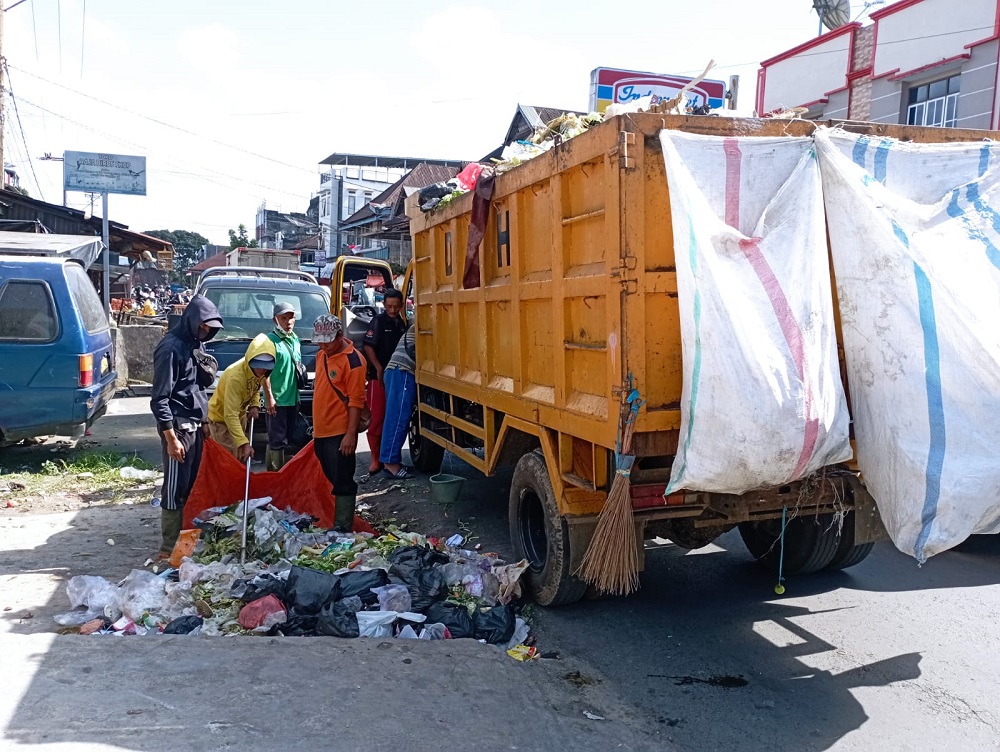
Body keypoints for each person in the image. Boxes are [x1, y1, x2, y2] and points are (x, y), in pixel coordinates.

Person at [149, 295, 224, 558]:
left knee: (191, 490)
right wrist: (171, 438)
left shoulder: (194, 346)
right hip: (177, 429)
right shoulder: (170, 348)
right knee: (174, 489)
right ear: (192, 321)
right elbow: (159, 399)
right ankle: (168, 549)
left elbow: (196, 389)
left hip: (195, 427)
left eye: (210, 328)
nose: (206, 331)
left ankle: (185, 548)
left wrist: (203, 423)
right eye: (204, 326)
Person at [312, 314, 366, 532]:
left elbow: (356, 401)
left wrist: (350, 435)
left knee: (343, 481)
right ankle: (333, 520)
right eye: (320, 340)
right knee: (330, 477)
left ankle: (343, 528)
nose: (324, 345)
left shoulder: (354, 361)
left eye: (328, 340)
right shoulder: (321, 355)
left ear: (340, 335)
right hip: (321, 431)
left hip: (340, 432)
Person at [206, 334, 276, 463]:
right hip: (221, 420)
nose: (261, 369)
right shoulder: (236, 378)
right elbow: (230, 415)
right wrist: (244, 443)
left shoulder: (262, 372)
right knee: (228, 460)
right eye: (258, 365)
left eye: (266, 367)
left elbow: (256, 385)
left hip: (239, 415)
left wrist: (255, 405)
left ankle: (237, 481)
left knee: (239, 457)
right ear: (250, 360)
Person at [362, 288, 407, 474]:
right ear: (383, 305)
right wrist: (378, 367)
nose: (392, 310)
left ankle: (387, 456)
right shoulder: (378, 321)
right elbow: (367, 346)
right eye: (389, 306)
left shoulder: (402, 324)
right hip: (378, 378)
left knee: (393, 417)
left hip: (396, 376)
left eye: (396, 307)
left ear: (401, 306)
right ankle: (375, 459)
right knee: (377, 418)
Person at [264, 301, 302, 470]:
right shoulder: (269, 342)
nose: (288, 322)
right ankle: (273, 477)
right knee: (276, 441)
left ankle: (285, 476)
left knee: (291, 439)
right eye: (284, 318)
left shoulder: (295, 339)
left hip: (293, 397)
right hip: (277, 400)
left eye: (291, 318)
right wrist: (270, 398)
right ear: (275, 320)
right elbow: (264, 374)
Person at [379, 323, 417, 478]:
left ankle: (391, 460)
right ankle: (390, 463)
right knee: (398, 418)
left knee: (396, 417)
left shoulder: (416, 324)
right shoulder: (422, 324)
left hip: (396, 371)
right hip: (402, 372)